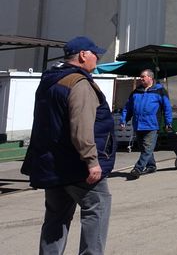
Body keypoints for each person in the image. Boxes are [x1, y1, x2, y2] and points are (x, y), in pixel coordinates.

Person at [22, 36, 116, 255]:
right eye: (95, 54)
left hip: (52, 163)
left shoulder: (50, 80)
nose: (98, 58)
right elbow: (81, 126)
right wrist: (91, 161)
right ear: (83, 55)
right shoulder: (78, 83)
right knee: (97, 208)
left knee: (56, 218)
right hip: (77, 165)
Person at [120, 69, 173, 178]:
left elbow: (167, 108)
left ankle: (138, 169)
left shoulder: (160, 91)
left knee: (147, 148)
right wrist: (123, 120)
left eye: (143, 76)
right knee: (144, 148)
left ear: (150, 78)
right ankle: (151, 166)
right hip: (138, 124)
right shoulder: (136, 92)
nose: (141, 79)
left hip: (152, 125)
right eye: (141, 77)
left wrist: (168, 122)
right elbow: (128, 107)